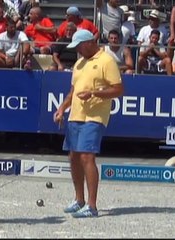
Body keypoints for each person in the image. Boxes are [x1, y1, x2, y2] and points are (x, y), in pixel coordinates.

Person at [53, 29, 124, 218]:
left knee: (87, 157)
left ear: (88, 43)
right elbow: (73, 91)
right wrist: (62, 108)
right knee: (74, 156)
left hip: (94, 116)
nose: (77, 50)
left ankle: (92, 206)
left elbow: (118, 89)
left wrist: (93, 94)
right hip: (76, 115)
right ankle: (79, 200)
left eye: (78, 46)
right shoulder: (79, 63)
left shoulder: (106, 61)